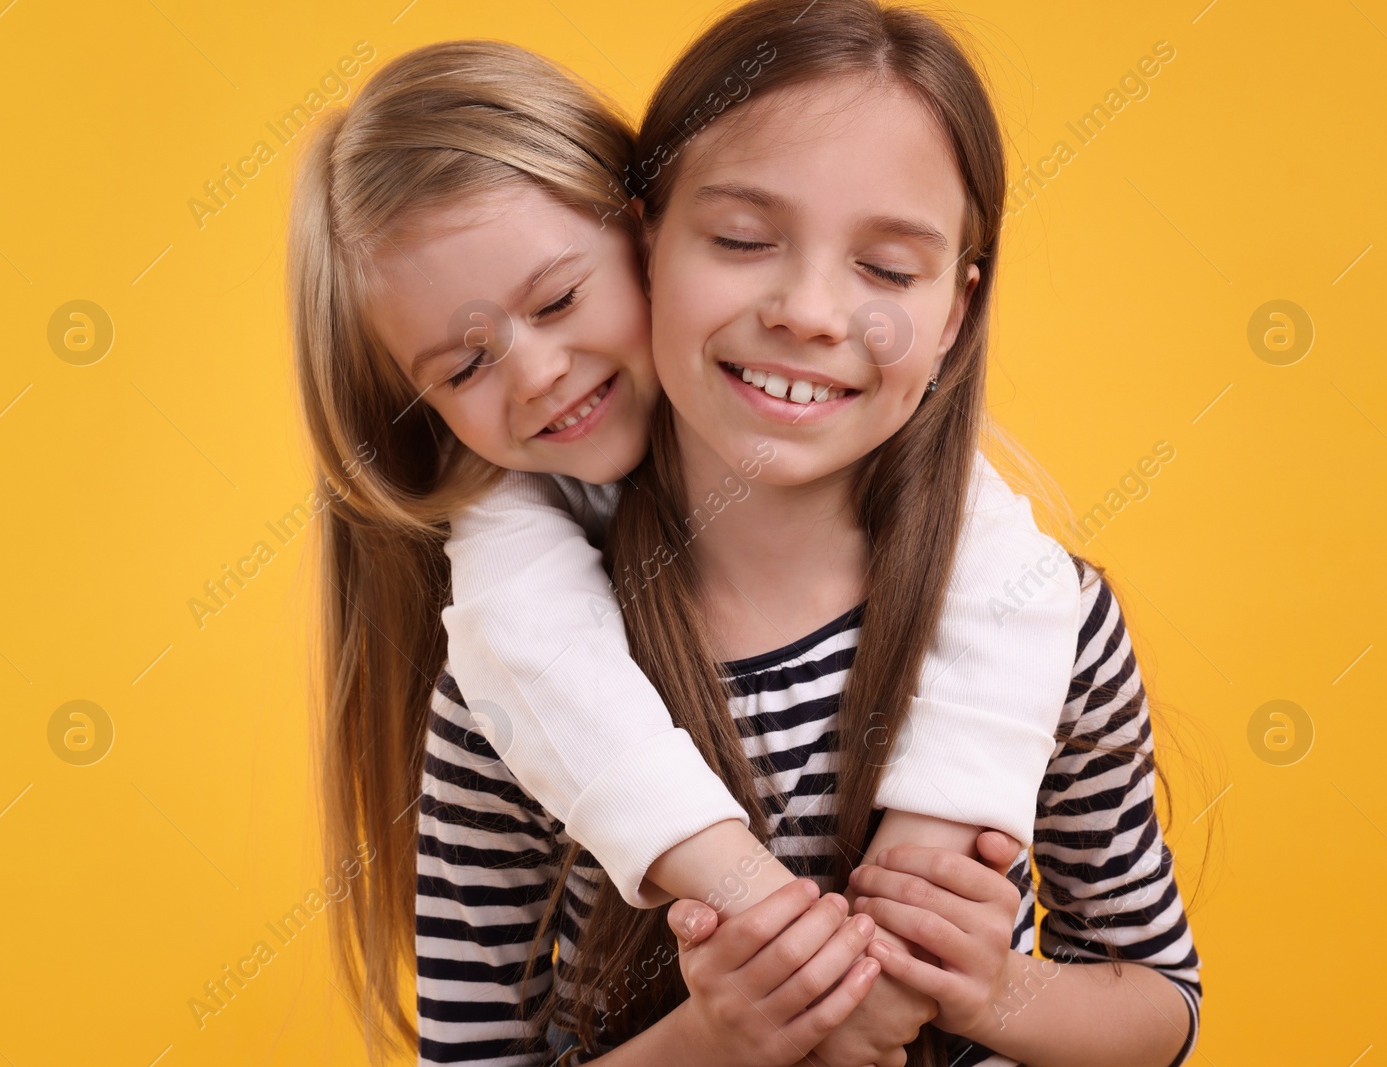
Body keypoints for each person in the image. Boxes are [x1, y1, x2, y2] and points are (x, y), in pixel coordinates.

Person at [409, 0, 1201, 1063]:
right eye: (741, 239)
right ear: (645, 243)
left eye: (887, 268)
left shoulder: (1049, 624)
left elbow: (1159, 1002)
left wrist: (991, 989)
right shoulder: (513, 683)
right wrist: (717, 1039)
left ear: (955, 313)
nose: (812, 311)